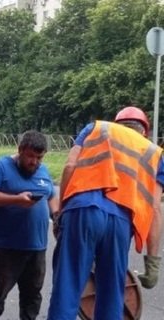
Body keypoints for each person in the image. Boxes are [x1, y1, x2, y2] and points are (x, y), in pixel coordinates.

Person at [47, 106, 164, 320]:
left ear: (118, 123)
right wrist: (153, 261)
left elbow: (70, 166)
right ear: (144, 130)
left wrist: (62, 213)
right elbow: (155, 209)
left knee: (68, 286)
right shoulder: (154, 153)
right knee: (111, 294)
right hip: (121, 221)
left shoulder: (97, 129)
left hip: (82, 210)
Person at [0, 130, 58, 320]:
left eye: (39, 157)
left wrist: (56, 215)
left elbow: (51, 195)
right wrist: (16, 200)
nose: (35, 162)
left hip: (37, 248)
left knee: (32, 299)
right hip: (5, 248)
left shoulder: (44, 171)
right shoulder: (0, 167)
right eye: (31, 156)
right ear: (20, 150)